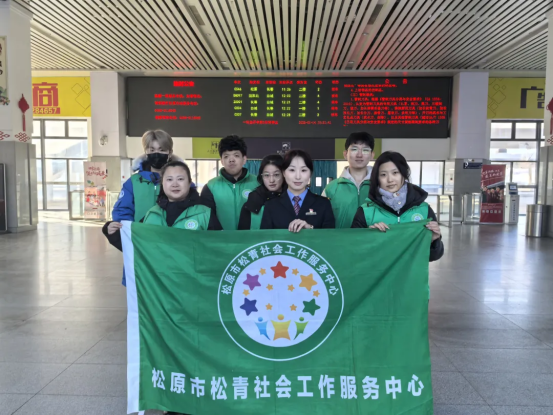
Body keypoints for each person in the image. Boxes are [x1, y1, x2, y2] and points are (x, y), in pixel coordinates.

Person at [103, 161, 221, 251]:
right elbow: (136, 245)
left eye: (180, 179)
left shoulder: (205, 214)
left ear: (189, 182)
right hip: (159, 277)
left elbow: (219, 248)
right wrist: (113, 233)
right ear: (162, 183)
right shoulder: (152, 215)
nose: (175, 184)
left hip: (191, 276)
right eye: (169, 179)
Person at [351, 151, 444, 262]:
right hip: (378, 273)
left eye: (395, 173)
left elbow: (433, 256)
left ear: (404, 174)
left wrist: (433, 241)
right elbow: (354, 252)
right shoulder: (365, 212)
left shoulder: (424, 210)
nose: (390, 180)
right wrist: (370, 238)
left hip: (411, 273)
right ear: (377, 178)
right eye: (383, 175)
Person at [112, 129, 181, 223]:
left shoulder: (181, 181)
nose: (156, 154)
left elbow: (191, 211)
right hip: (141, 232)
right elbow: (122, 211)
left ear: (170, 152)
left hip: (170, 232)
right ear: (146, 152)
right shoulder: (133, 182)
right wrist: (131, 229)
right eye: (152, 150)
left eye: (162, 150)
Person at [261, 149, 335, 231]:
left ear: (310, 173)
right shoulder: (271, 205)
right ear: (284, 173)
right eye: (292, 170)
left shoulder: (323, 204)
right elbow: (265, 237)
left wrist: (311, 229)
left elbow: (330, 237)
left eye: (303, 170)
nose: (298, 176)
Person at [200, 135, 259, 230]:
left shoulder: (258, 183)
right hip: (222, 239)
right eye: (226, 156)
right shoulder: (211, 187)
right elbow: (206, 218)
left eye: (236, 155)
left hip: (252, 238)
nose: (231, 160)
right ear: (222, 161)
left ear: (244, 159)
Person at [323, 132, 375, 228]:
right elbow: (321, 220)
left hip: (372, 238)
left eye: (365, 150)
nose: (359, 155)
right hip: (340, 238)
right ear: (345, 154)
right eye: (354, 149)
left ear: (372, 155)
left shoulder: (379, 186)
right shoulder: (331, 188)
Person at [238, 154, 286, 230]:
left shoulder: (294, 199)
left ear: (284, 175)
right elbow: (243, 234)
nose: (271, 180)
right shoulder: (252, 201)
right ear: (261, 176)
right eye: (266, 175)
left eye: (276, 175)